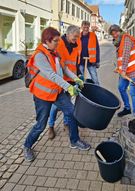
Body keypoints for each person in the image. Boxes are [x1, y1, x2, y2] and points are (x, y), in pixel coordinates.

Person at [24, 27, 91, 162]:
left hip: (57, 92)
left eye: (58, 40)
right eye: (55, 41)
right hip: (42, 96)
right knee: (41, 125)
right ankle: (27, 146)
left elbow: (64, 68)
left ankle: (75, 140)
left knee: (72, 113)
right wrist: (69, 88)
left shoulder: (54, 52)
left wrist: (76, 78)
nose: (57, 43)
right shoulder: (39, 56)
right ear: (47, 41)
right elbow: (52, 75)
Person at [48, 25, 82, 139]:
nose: (76, 39)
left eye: (78, 37)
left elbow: (75, 62)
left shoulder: (76, 46)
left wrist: (78, 75)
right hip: (59, 79)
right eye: (75, 36)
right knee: (55, 106)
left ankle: (66, 124)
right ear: (68, 34)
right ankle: (51, 126)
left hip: (70, 79)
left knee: (67, 103)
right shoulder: (58, 44)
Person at [109, 24, 135, 117]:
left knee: (133, 91)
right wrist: (119, 69)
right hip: (127, 71)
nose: (115, 35)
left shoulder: (126, 39)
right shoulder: (119, 42)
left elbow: (126, 56)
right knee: (121, 87)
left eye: (116, 32)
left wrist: (123, 71)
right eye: (113, 34)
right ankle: (127, 108)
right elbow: (121, 59)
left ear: (120, 31)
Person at [78, 21, 100, 85]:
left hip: (91, 61)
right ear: (81, 27)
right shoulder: (78, 36)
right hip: (81, 61)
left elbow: (97, 48)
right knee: (81, 79)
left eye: (87, 27)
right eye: (84, 27)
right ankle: (82, 92)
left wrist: (97, 61)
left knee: (95, 79)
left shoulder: (93, 35)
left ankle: (98, 90)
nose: (86, 29)